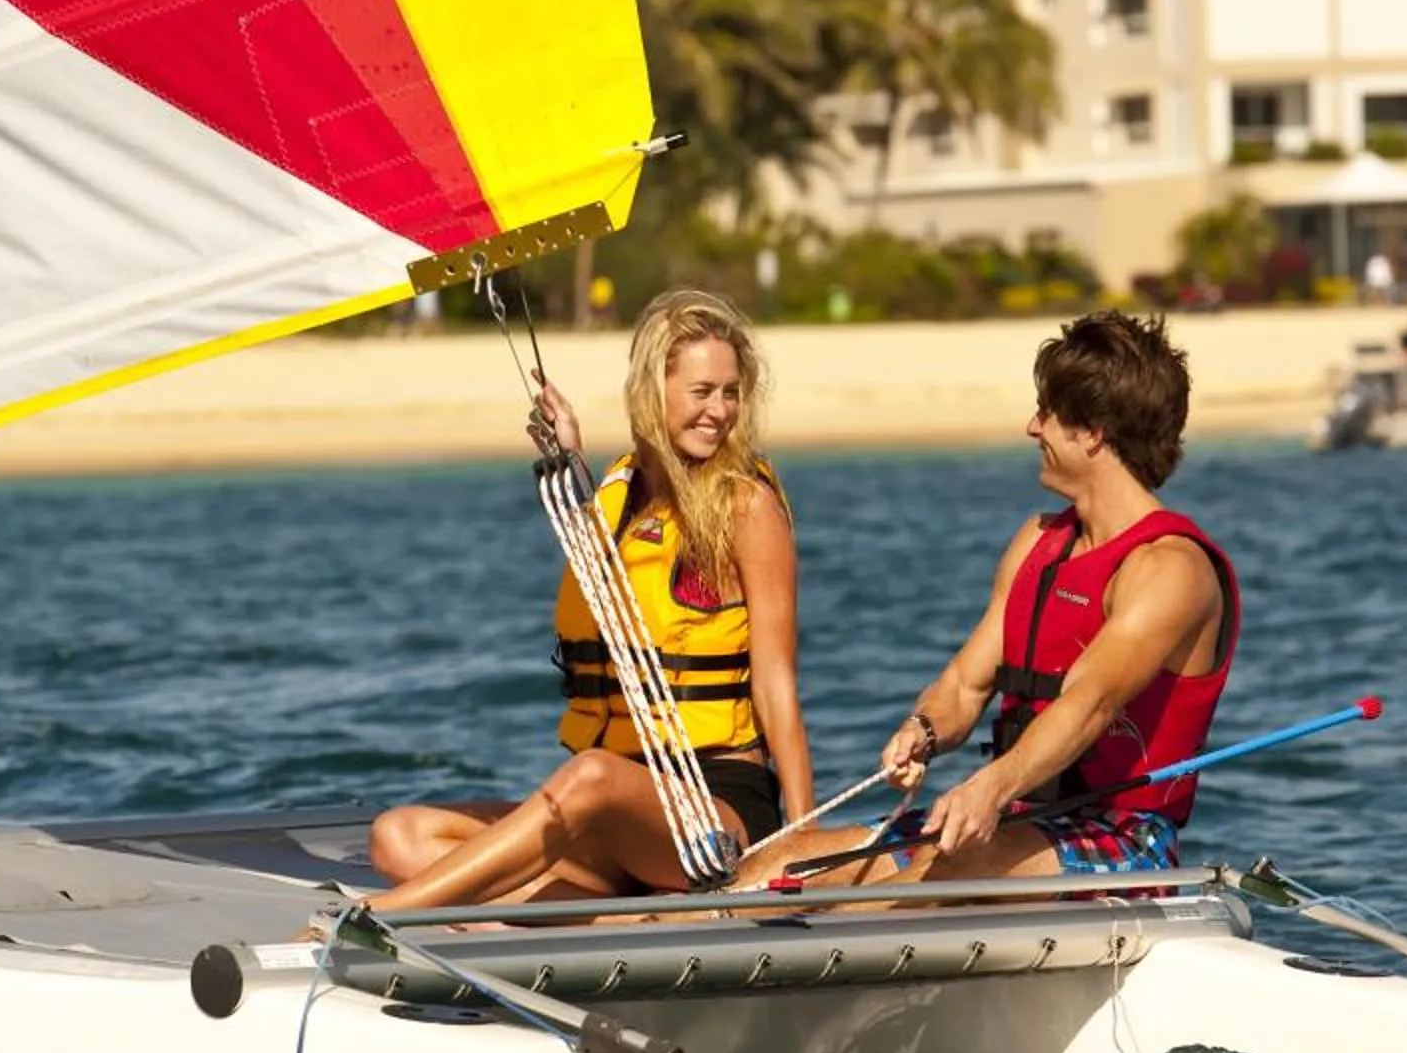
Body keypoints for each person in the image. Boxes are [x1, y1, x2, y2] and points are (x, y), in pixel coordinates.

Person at [733, 309, 1233, 896]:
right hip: (1018, 818)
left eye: (1047, 412)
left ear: (1094, 431)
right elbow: (966, 687)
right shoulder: (1038, 543)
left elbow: (1088, 706)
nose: (1032, 427)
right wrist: (921, 730)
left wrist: (988, 790)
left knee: (927, 879)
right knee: (780, 864)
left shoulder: (1169, 568)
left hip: (1120, 837)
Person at [363, 290, 812, 911]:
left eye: (730, 392)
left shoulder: (746, 506)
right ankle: (606, 922)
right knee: (401, 835)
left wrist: (802, 838)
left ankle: (377, 918)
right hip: (620, 821)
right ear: (653, 392)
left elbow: (776, 680)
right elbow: (612, 601)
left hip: (714, 813)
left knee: (591, 776)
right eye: (701, 392)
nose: (719, 412)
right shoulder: (616, 495)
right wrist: (569, 457)